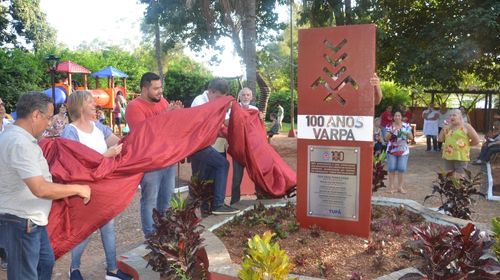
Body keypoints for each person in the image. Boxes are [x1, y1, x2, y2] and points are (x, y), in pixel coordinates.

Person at [0, 91, 91, 280]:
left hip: (31, 221)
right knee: (24, 275)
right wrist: (78, 188)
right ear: (35, 115)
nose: (49, 124)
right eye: (48, 118)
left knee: (45, 263)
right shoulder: (19, 142)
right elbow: (40, 188)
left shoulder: (19, 138)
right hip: (20, 222)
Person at [61, 91, 131, 280]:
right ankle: (74, 270)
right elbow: (73, 163)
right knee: (87, 229)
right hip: (84, 190)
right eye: (90, 102)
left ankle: (112, 271)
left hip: (103, 187)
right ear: (79, 106)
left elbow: (123, 144)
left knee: (108, 226)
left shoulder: (100, 127)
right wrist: (105, 156)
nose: (95, 104)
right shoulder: (70, 131)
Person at [125, 72, 180, 238]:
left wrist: (176, 114)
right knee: (150, 199)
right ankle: (150, 235)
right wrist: (165, 115)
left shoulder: (162, 101)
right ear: (144, 88)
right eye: (155, 88)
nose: (160, 92)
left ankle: (165, 231)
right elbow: (144, 134)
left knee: (167, 197)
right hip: (150, 163)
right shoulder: (134, 107)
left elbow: (169, 128)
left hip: (167, 159)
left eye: (160, 88)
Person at [190, 78, 239, 215]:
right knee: (221, 165)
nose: (219, 101)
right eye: (217, 97)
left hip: (205, 144)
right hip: (198, 146)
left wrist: (239, 115)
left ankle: (207, 210)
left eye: (221, 98)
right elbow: (206, 122)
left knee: (206, 178)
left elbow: (225, 121)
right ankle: (217, 205)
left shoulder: (214, 101)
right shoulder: (199, 101)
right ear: (210, 91)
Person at [230, 87, 259, 205]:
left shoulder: (255, 110)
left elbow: (258, 129)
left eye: (248, 95)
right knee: (237, 178)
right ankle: (234, 201)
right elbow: (228, 124)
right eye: (243, 95)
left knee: (258, 175)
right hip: (239, 149)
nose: (246, 97)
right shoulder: (233, 109)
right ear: (239, 97)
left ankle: (261, 198)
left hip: (252, 149)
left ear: (251, 97)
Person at [438, 109, 480, 175]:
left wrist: (466, 146)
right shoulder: (447, 127)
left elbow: (476, 140)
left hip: (461, 156)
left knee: (459, 177)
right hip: (448, 155)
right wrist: (443, 128)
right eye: (450, 115)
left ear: (460, 116)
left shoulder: (466, 126)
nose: (451, 117)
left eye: (454, 115)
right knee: (449, 176)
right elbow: (440, 139)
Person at [384, 110, 413, 193]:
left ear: (401, 117)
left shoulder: (406, 125)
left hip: (403, 150)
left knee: (401, 168)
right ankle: (391, 187)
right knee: (391, 168)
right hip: (391, 150)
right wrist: (392, 131)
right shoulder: (389, 125)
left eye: (399, 115)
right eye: (396, 115)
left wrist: (406, 132)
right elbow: (386, 138)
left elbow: (411, 137)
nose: (397, 117)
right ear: (393, 117)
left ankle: (400, 187)